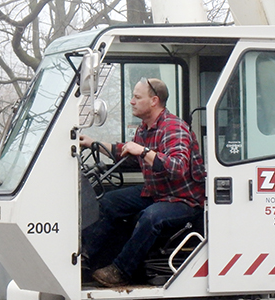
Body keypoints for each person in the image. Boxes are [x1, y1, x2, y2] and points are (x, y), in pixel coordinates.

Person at [80, 77, 206, 287]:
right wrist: (93, 143)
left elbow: (177, 167)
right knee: (108, 202)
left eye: (137, 97)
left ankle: (120, 271)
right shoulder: (145, 129)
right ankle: (85, 259)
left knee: (151, 217)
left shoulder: (173, 128)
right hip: (157, 192)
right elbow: (129, 154)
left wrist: (144, 151)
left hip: (184, 201)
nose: (132, 101)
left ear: (154, 101)